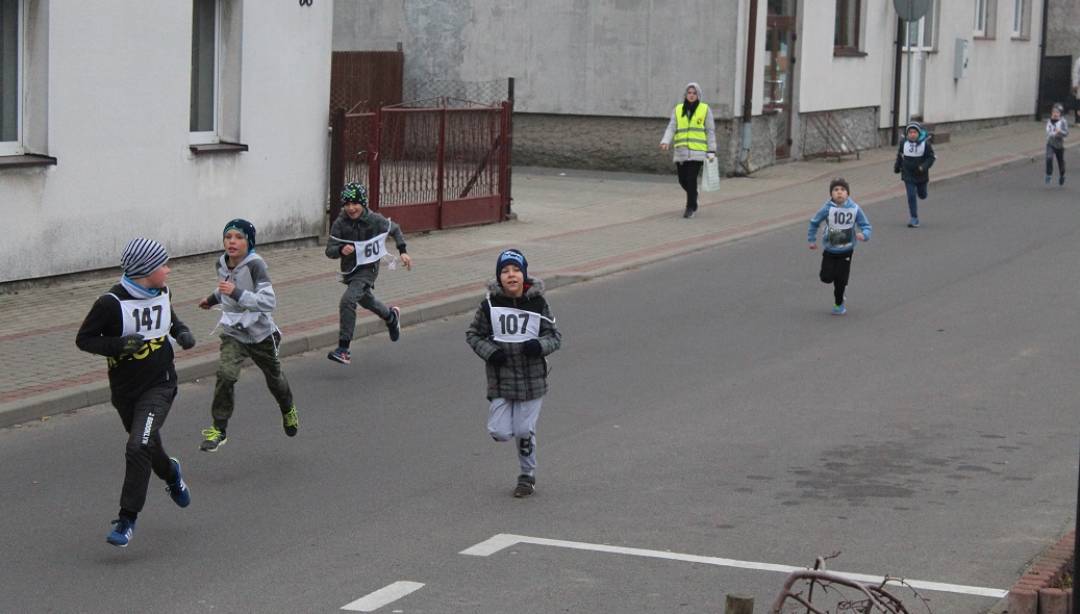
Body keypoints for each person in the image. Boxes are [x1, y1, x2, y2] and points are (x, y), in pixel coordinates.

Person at [75, 238, 196, 547]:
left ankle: (127, 520)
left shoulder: (162, 291)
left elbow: (169, 317)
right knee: (145, 445)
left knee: (136, 446)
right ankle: (171, 473)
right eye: (163, 265)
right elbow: (85, 339)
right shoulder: (110, 304)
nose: (168, 271)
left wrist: (181, 331)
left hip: (161, 385)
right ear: (145, 270)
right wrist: (118, 345)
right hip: (126, 392)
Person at [466, 249, 561, 497]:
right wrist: (490, 352)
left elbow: (554, 337)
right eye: (505, 271)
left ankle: (526, 476)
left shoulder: (538, 303)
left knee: (523, 431)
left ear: (524, 275)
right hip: (501, 378)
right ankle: (518, 439)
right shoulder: (489, 305)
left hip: (532, 380)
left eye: (516, 270)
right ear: (499, 278)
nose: (511, 275)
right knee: (499, 432)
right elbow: (473, 334)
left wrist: (538, 346)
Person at [197, 219, 298, 452]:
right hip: (233, 332)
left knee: (274, 379)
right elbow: (226, 285)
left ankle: (288, 408)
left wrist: (238, 293)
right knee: (225, 374)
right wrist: (211, 299)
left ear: (249, 242)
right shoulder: (221, 263)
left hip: (261, 334)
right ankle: (219, 429)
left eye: (239, 237)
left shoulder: (256, 266)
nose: (232, 241)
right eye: (228, 236)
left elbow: (268, 301)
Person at [325, 182, 413, 365]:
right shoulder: (340, 222)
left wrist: (402, 251)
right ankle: (391, 316)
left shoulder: (374, 219)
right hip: (350, 270)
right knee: (366, 300)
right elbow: (329, 250)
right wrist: (341, 250)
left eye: (355, 203)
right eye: (347, 204)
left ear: (363, 203)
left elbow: (394, 229)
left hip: (368, 269)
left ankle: (343, 349)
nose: (351, 208)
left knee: (348, 301)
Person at [807, 178, 872, 316]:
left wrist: (864, 235)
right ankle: (837, 283)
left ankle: (839, 304)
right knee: (826, 277)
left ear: (848, 193)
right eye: (836, 190)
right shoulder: (827, 209)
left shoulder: (854, 209)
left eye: (842, 190)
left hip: (846, 250)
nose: (839, 193)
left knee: (840, 281)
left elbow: (866, 225)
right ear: (831, 194)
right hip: (830, 249)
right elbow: (814, 222)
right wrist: (812, 240)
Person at [660, 82, 718, 218]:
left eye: (694, 93)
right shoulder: (678, 109)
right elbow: (671, 127)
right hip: (681, 151)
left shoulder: (705, 109)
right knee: (682, 180)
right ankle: (694, 194)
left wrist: (711, 150)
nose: (691, 95)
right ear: (685, 95)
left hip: (698, 152)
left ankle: (690, 207)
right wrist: (665, 141)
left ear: (698, 95)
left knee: (691, 179)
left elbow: (710, 131)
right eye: (689, 93)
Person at [893, 121, 936, 228]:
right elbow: (900, 155)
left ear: (919, 133)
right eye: (910, 132)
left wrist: (923, 167)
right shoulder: (904, 143)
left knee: (922, 195)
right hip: (908, 173)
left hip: (921, 174)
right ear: (907, 134)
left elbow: (931, 158)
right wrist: (897, 167)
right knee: (911, 195)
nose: (912, 134)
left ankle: (923, 192)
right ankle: (914, 218)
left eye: (914, 132)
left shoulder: (925, 144)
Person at [1045, 103, 1069, 186]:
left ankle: (1062, 175)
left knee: (1060, 162)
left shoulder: (1063, 121)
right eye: (1053, 112)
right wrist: (1050, 133)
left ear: (1060, 113)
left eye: (1057, 112)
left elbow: (1066, 133)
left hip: (1059, 145)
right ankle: (1049, 174)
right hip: (1050, 143)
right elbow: (1048, 130)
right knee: (1049, 158)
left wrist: (1060, 132)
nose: (1055, 114)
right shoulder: (1049, 121)